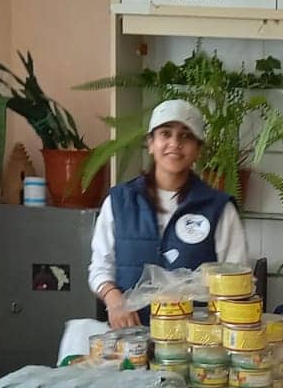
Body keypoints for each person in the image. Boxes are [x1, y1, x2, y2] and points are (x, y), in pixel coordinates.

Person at [90, 99, 248, 328]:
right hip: (130, 336)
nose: (175, 143)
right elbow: (100, 268)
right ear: (151, 143)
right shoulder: (119, 202)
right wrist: (113, 299)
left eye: (186, 136)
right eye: (165, 133)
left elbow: (236, 279)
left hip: (195, 341)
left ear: (198, 150)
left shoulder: (219, 208)